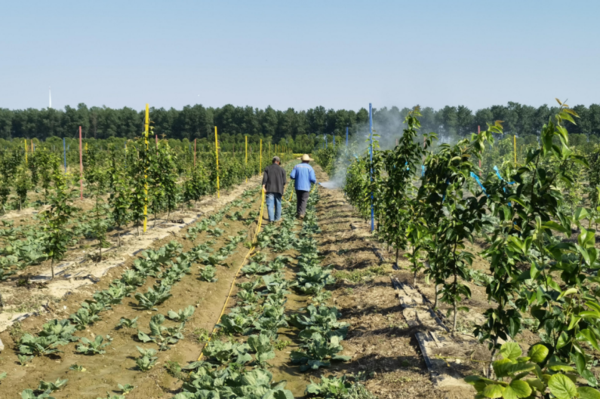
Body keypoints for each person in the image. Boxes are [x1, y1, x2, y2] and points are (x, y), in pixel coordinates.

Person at [290, 154, 317, 219]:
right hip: (306, 187)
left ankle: (298, 212)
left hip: (297, 186)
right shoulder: (310, 168)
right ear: (308, 161)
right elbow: (312, 179)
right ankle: (302, 213)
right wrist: (315, 182)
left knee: (299, 199)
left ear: (302, 160)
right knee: (304, 200)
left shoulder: (296, 166)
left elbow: (292, 176)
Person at [262, 156, 286, 222]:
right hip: (279, 190)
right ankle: (277, 219)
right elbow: (284, 182)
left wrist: (264, 187)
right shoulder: (282, 170)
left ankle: (271, 220)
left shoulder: (267, 168)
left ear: (273, 161)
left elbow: (265, 180)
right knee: (278, 204)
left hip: (269, 189)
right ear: (278, 162)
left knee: (270, 205)